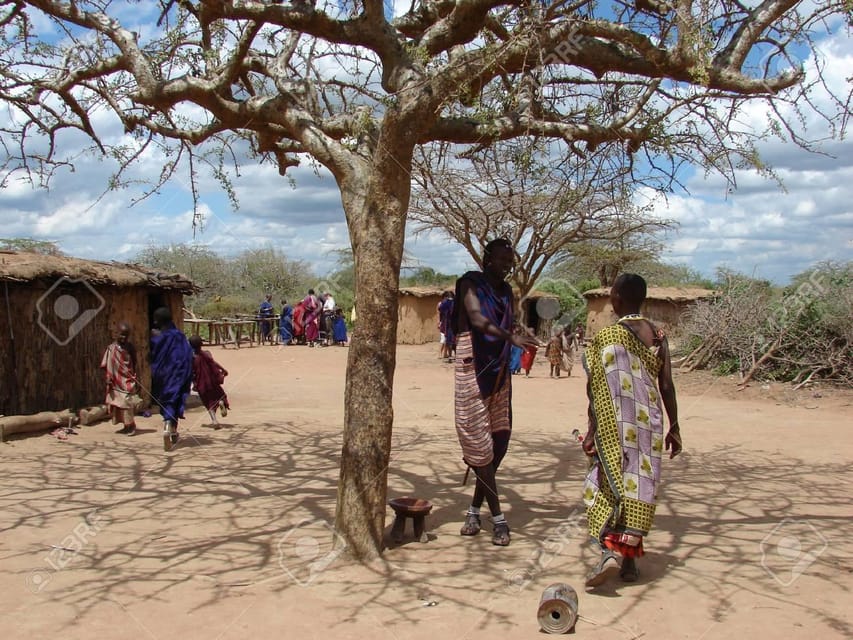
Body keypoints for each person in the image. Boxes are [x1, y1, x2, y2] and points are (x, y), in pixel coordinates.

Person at [581, 273, 682, 587]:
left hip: (614, 425)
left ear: (618, 299)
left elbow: (597, 390)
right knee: (638, 488)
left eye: (612, 295)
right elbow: (666, 385)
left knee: (608, 486)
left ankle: (606, 552)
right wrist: (675, 427)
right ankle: (629, 564)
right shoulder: (658, 336)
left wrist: (591, 429)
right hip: (649, 426)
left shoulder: (607, 336)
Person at [452, 238, 540, 547]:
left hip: (499, 370)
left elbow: (511, 322)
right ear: (487, 259)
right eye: (502, 260)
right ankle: (498, 518)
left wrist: (522, 336)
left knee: (499, 442)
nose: (507, 267)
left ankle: (474, 509)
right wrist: (509, 336)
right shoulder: (469, 284)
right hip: (472, 365)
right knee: (478, 444)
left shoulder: (505, 291)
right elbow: (476, 319)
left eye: (510, 262)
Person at [150, 307, 194, 451]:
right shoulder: (180, 336)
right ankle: (171, 428)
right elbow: (188, 355)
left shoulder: (158, 337)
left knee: (167, 399)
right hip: (180, 374)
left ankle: (169, 426)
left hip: (165, 375)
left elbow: (153, 357)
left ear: (156, 321)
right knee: (176, 399)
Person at [100, 322, 140, 436]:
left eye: (126, 336)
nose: (124, 338)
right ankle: (125, 425)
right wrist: (108, 377)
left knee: (127, 403)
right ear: (116, 334)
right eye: (121, 335)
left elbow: (134, 362)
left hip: (126, 380)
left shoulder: (130, 347)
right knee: (118, 404)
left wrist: (135, 376)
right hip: (115, 380)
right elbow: (107, 364)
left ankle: (131, 425)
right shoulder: (111, 348)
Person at [188, 335, 229, 425]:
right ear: (201, 344)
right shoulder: (206, 354)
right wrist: (223, 370)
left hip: (201, 384)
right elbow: (213, 363)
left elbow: (191, 371)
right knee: (220, 395)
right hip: (212, 381)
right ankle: (221, 402)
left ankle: (214, 420)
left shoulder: (192, 358)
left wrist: (192, 383)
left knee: (208, 402)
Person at [437, 291, 455, 360]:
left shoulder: (451, 303)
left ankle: (447, 354)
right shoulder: (442, 304)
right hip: (445, 324)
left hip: (450, 324)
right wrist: (439, 322)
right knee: (443, 339)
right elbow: (439, 313)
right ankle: (439, 354)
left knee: (449, 340)